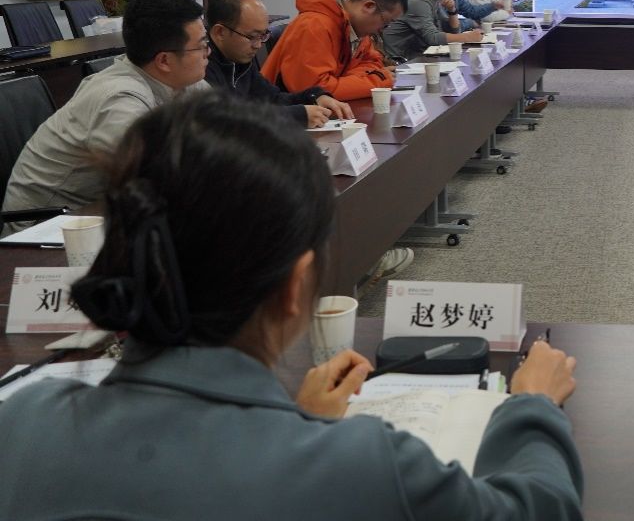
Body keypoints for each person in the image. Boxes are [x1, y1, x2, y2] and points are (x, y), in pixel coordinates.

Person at [0, 93, 584, 520]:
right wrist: (532, 406)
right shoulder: (361, 467)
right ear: (294, 285)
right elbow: (538, 509)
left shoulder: (21, 422)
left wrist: (298, 425)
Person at [3, 0, 210, 218]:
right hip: (45, 223)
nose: (208, 52)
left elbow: (223, 135)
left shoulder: (186, 82)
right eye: (202, 45)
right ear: (164, 60)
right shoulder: (118, 98)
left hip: (105, 210)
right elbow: (150, 180)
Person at [205, 0, 354, 128]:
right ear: (220, 33)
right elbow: (228, 120)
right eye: (252, 36)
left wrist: (315, 96)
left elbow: (273, 99)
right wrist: (298, 115)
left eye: (263, 35)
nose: (258, 45)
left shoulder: (239, 59)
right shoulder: (201, 68)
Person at [261, 0, 403, 101]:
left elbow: (373, 62)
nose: (381, 31)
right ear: (369, 6)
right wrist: (376, 81)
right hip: (279, 111)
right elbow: (315, 91)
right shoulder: (314, 25)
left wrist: (346, 81)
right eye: (386, 23)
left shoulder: (356, 28)